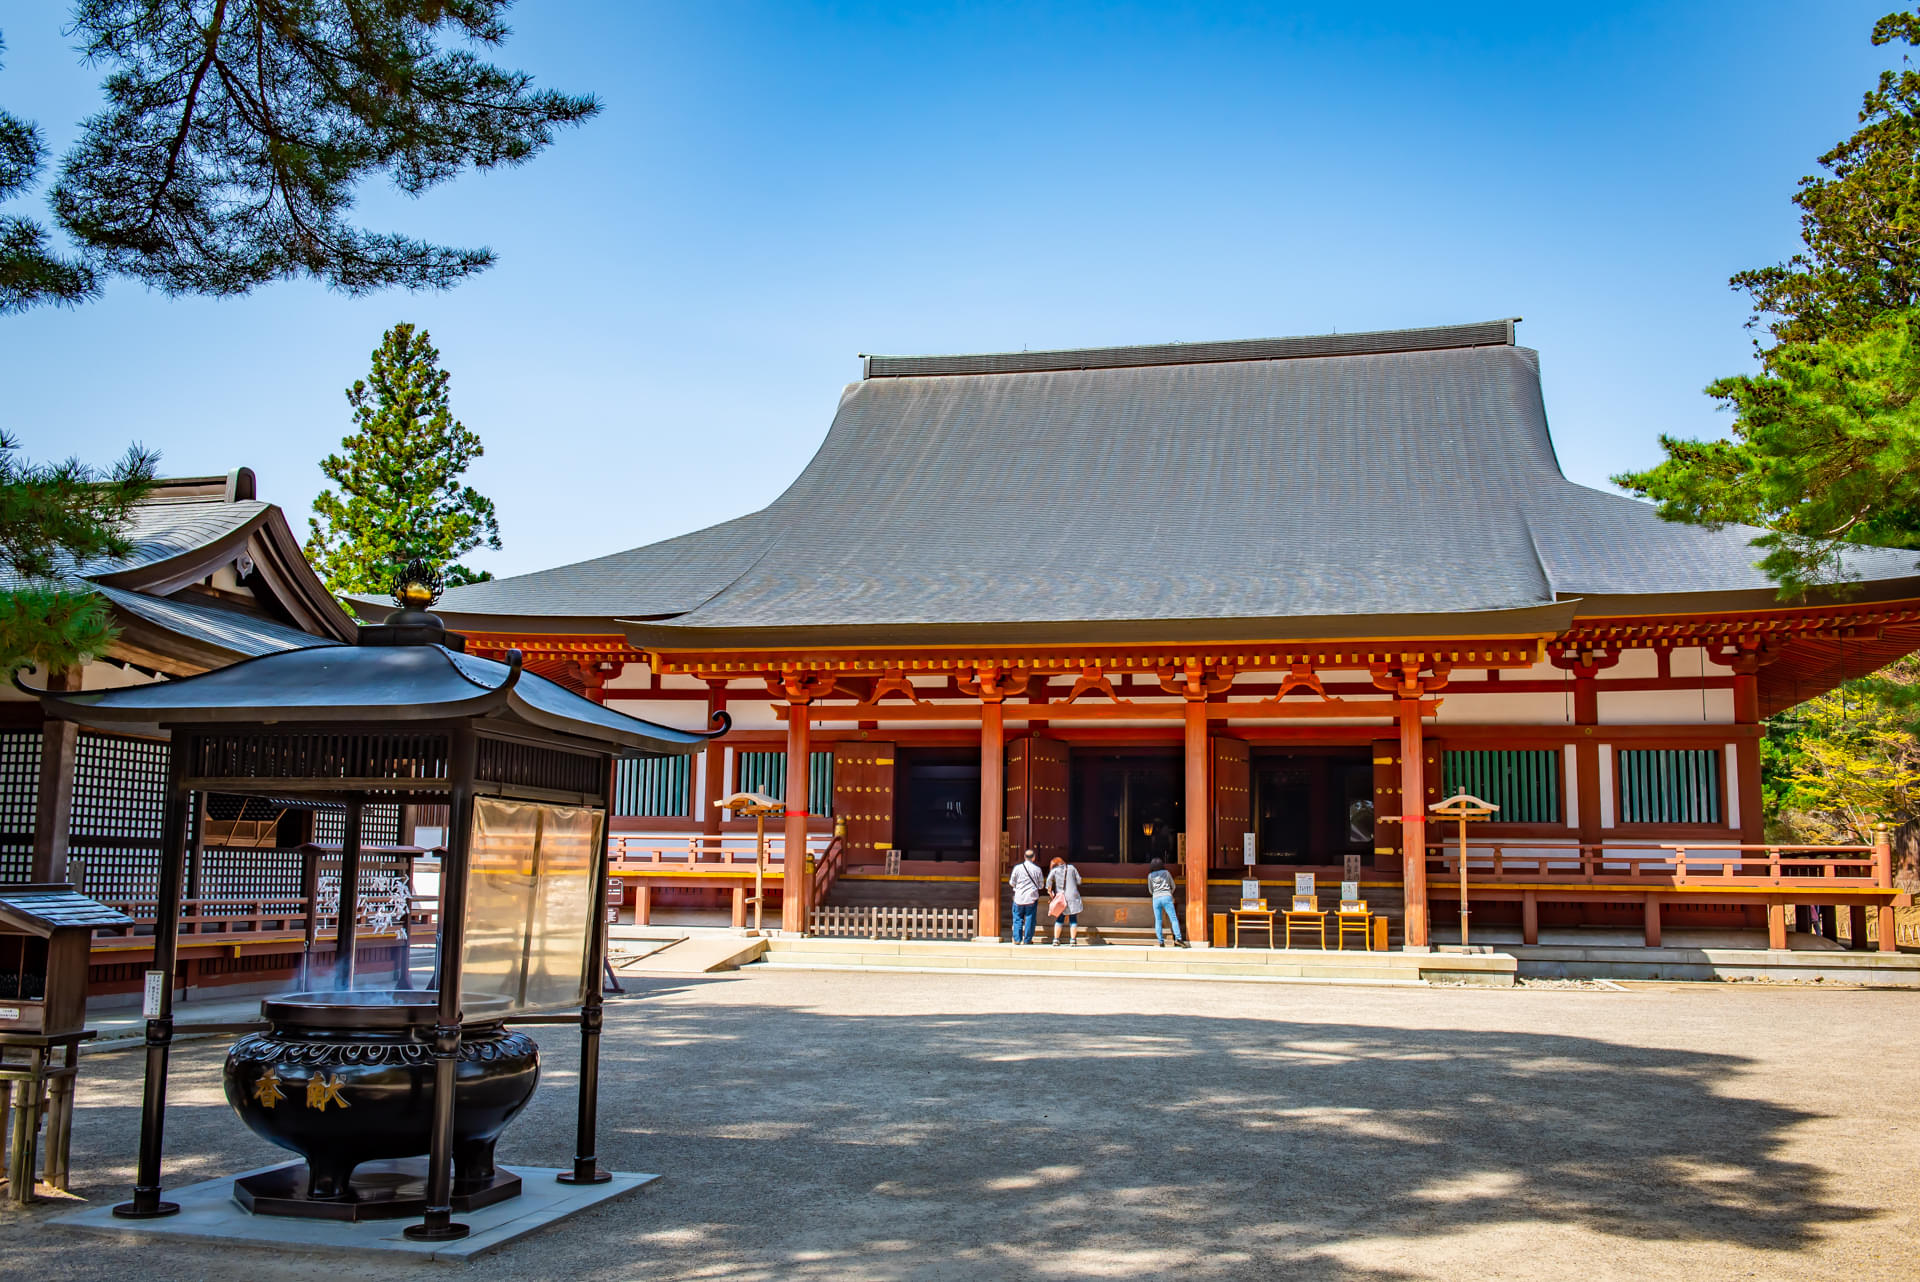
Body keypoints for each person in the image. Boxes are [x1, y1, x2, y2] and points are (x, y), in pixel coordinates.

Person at [1045, 856, 1084, 946]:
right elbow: (1079, 881)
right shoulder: (1072, 868)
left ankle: (1056, 939)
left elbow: (1048, 883)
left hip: (1060, 898)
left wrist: (1050, 892)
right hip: (1073, 897)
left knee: (1059, 918)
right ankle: (1073, 940)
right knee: (1073, 919)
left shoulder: (1054, 871)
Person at [1009, 848, 1045, 944]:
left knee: (1017, 919)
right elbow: (1041, 885)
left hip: (1019, 897)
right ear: (1034, 858)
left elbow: (1012, 882)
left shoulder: (1017, 868)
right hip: (1031, 897)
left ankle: (1017, 939)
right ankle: (1027, 939)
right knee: (1030, 919)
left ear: (1024, 857)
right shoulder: (1037, 869)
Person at [1146, 857, 1185, 947]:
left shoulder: (1150, 876)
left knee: (1158, 920)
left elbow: (1150, 890)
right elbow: (1173, 886)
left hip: (1156, 898)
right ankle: (1178, 938)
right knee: (1173, 918)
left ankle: (1160, 941)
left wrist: (1156, 893)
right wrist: (1169, 893)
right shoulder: (1166, 873)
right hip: (1166, 896)